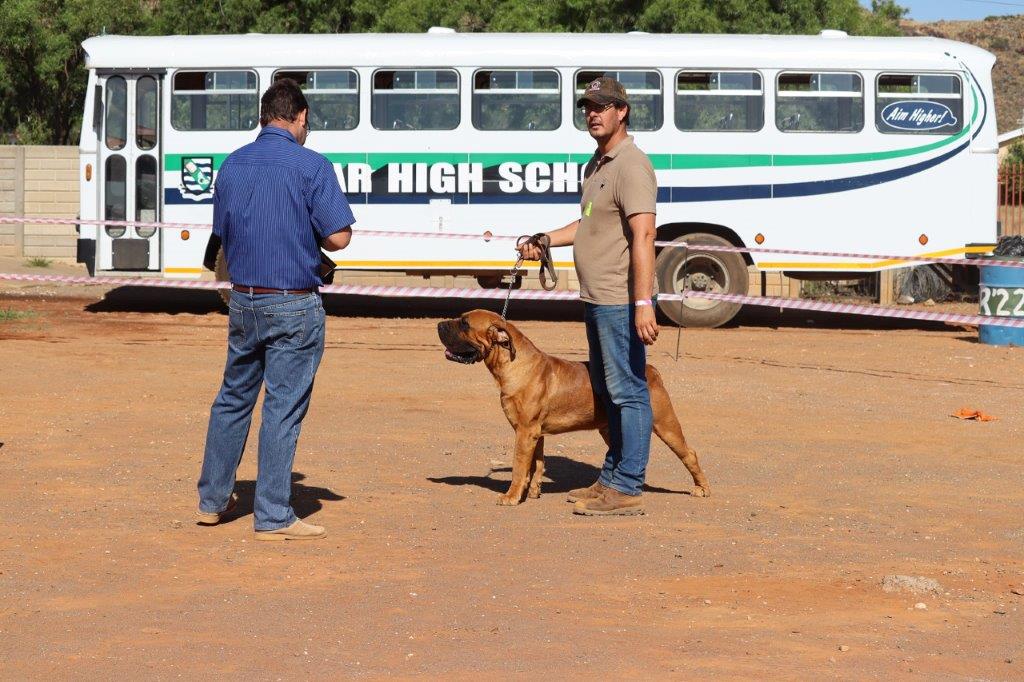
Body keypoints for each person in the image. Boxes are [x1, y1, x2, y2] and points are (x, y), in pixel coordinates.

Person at [196, 78, 354, 540]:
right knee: (282, 408)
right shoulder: (312, 166)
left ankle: (211, 500)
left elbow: (223, 233)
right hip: (293, 304)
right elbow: (339, 237)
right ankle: (272, 514)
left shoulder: (232, 165)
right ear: (299, 117)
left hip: (243, 300)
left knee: (232, 399)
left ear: (264, 117)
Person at [518, 76, 659, 516]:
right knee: (608, 390)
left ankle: (628, 486)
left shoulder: (631, 165)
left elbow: (644, 234)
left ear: (623, 111)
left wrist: (642, 302)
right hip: (597, 298)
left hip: (620, 300)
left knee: (628, 391)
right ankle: (612, 477)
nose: (593, 113)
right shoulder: (597, 165)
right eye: (587, 107)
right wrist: (545, 239)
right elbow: (588, 226)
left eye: (602, 106)